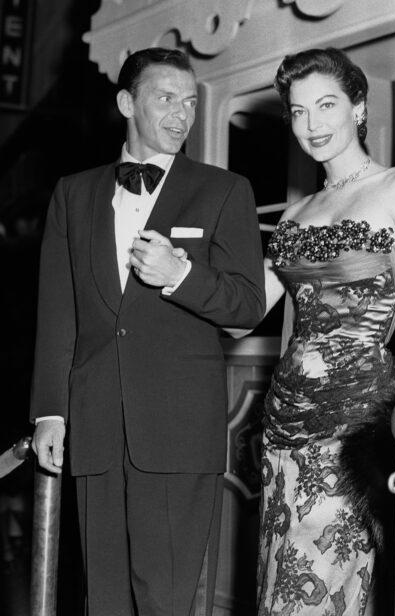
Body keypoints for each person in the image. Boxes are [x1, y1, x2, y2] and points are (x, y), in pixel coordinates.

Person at [30, 47, 265, 616]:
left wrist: (181, 276)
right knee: (102, 600)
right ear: (126, 102)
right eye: (166, 98)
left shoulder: (224, 190)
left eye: (190, 102)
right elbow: (59, 312)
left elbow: (247, 307)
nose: (182, 114)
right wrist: (50, 412)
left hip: (178, 432)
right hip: (96, 429)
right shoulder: (74, 192)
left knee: (164, 601)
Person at [256, 47, 395, 615]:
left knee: (333, 585)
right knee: (278, 582)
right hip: (281, 425)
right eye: (297, 111)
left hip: (354, 424)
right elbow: (243, 311)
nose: (311, 125)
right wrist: (180, 276)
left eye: (326, 105)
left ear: (358, 107)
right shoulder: (293, 215)